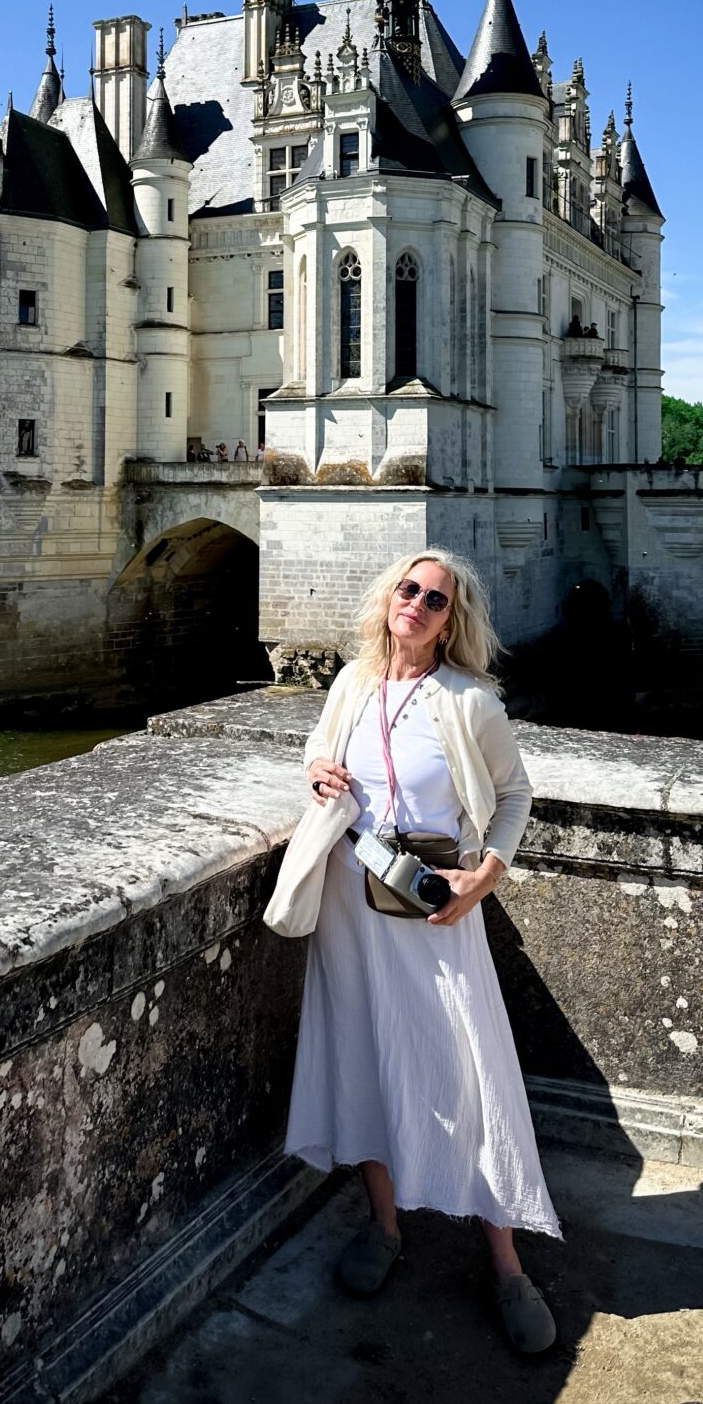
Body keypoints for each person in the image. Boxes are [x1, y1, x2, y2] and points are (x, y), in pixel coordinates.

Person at [263, 549, 562, 1356]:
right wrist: (319, 768)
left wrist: (485, 876)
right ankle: (385, 1227)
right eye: (410, 589)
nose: (419, 605)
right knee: (363, 1056)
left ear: (451, 621)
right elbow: (318, 755)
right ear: (388, 598)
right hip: (351, 907)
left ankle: (506, 1263)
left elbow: (516, 796)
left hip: (434, 911)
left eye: (437, 599)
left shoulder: (470, 702)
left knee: (469, 1073)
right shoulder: (353, 684)